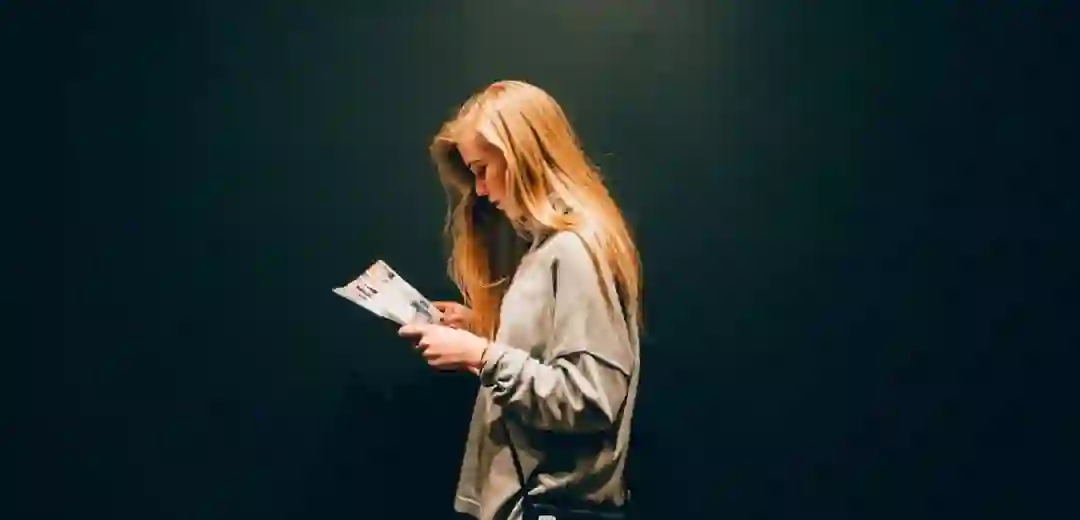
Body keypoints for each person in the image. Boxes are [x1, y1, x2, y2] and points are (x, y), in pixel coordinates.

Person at [397, 80, 642, 520]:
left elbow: (590, 398)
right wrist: (480, 331)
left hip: (548, 506)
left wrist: (481, 355)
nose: (481, 190)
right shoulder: (548, 249)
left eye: (483, 169)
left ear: (522, 157)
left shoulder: (573, 249)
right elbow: (551, 359)